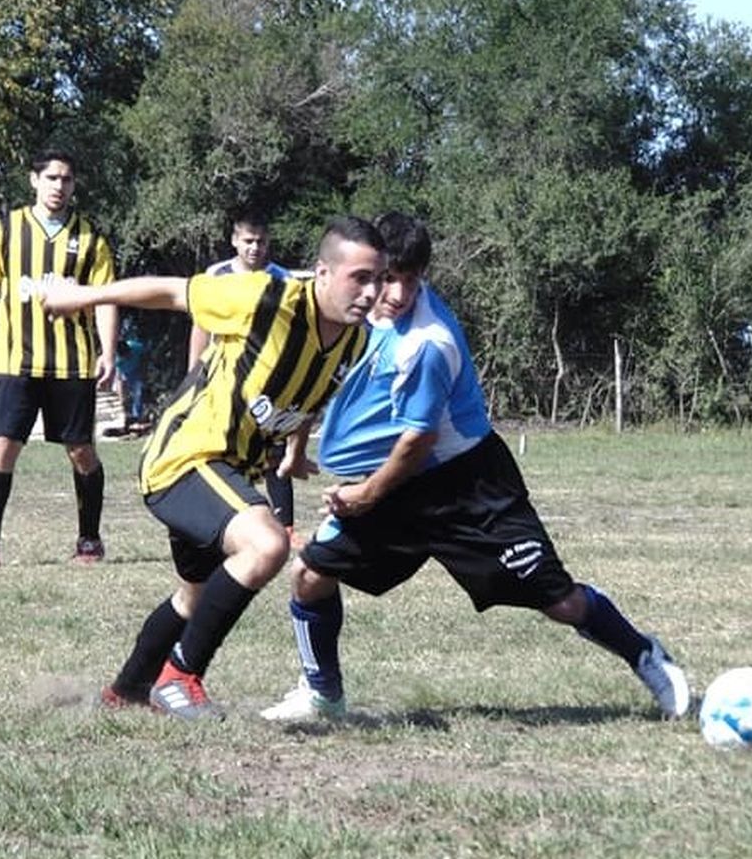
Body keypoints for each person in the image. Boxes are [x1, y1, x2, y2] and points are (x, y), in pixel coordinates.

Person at [259, 213, 690, 723]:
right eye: (387, 277)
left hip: (467, 487)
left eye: (410, 280)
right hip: (398, 486)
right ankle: (323, 694)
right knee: (309, 575)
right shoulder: (347, 303)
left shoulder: (427, 343)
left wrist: (366, 494)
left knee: (560, 602)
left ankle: (644, 653)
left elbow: (418, 442)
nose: (396, 294)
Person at [40, 216, 386, 719]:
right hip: (185, 458)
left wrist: (294, 450)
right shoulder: (267, 299)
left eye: (378, 278)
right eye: (360, 277)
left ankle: (128, 690)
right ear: (322, 273)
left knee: (196, 597)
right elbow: (170, 292)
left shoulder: (353, 341)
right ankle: (179, 679)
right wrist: (78, 298)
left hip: (229, 471)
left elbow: (307, 400)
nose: (371, 291)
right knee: (266, 544)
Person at [0, 148, 118, 567]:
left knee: (81, 451)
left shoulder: (90, 237)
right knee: (3, 447)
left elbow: (106, 300)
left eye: (67, 179)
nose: (59, 186)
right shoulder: (5, 229)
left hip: (71, 363)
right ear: (34, 181)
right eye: (52, 178)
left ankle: (89, 540)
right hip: (13, 362)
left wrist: (107, 352)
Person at [187, 215, 299, 540]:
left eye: (260, 241)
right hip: (223, 379)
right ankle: (224, 517)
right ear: (235, 240)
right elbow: (201, 326)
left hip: (266, 382)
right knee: (222, 446)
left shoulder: (283, 279)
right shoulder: (216, 276)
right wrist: (195, 373)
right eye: (248, 241)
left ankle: (286, 525)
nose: (254, 248)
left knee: (273, 449)